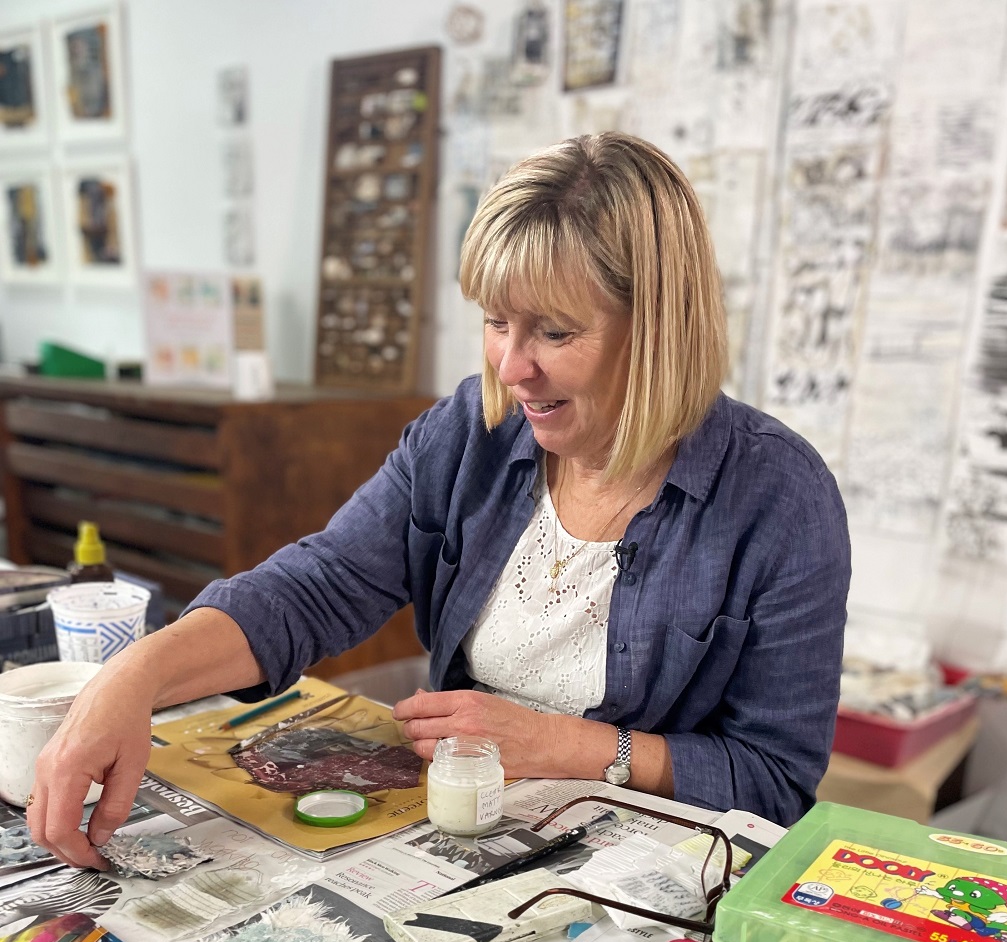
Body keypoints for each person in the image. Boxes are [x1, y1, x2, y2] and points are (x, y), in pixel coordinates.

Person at [29, 132, 850, 870]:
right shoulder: (473, 430)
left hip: (645, 883)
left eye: (555, 334)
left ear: (661, 326)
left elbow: (775, 784)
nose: (512, 366)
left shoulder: (779, 498)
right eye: (497, 322)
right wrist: (130, 681)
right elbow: (320, 584)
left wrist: (577, 747)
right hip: (456, 844)